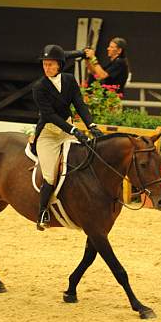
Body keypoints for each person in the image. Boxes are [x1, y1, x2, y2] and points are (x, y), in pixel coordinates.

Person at [32, 44, 103, 231]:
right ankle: (42, 213)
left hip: (67, 129)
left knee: (82, 162)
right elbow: (49, 116)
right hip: (48, 133)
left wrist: (91, 125)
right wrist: (73, 131)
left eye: (50, 65)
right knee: (50, 175)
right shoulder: (39, 87)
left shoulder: (70, 80)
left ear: (59, 65)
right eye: (44, 64)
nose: (46, 68)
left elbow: (79, 104)